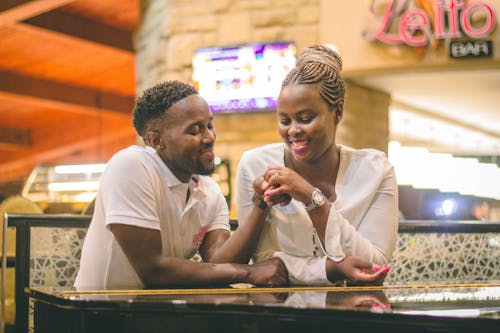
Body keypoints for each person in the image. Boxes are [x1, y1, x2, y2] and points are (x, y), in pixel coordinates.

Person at [75, 80, 288, 289]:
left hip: (159, 312)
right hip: (102, 313)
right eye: (195, 131)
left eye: (210, 126)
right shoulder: (132, 165)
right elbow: (153, 269)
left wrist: (260, 203)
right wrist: (249, 272)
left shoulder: (209, 190)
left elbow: (220, 262)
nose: (210, 137)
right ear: (156, 141)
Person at [236, 45, 398, 286]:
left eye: (305, 119)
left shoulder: (376, 170)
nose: (293, 130)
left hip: (356, 312)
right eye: (284, 120)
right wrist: (331, 269)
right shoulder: (256, 165)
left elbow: (372, 267)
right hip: (280, 311)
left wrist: (313, 199)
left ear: (338, 113)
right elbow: (265, 264)